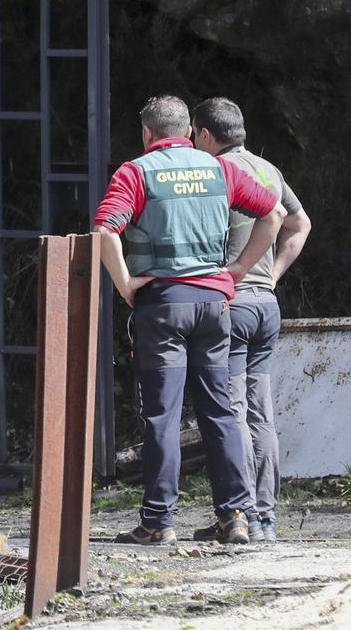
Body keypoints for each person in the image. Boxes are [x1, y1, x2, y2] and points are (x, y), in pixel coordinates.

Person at [93, 95, 284, 545]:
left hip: (163, 305)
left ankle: (159, 522)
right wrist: (238, 270)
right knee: (220, 411)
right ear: (189, 132)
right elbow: (274, 213)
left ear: (147, 133)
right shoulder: (219, 169)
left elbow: (104, 230)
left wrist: (125, 283)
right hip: (215, 307)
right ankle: (235, 517)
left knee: (163, 415)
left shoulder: (136, 172)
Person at [192, 97, 310, 543]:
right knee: (261, 413)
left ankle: (239, 514)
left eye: (194, 136)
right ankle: (266, 518)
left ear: (206, 135)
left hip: (233, 304)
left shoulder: (214, 173)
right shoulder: (269, 171)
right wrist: (272, 275)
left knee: (233, 411)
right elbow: (300, 224)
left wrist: (237, 270)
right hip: (265, 306)